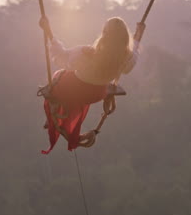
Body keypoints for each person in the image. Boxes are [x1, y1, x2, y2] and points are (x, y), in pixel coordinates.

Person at [39, 16, 145, 154]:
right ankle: (56, 116)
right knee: (69, 84)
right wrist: (138, 36)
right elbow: (134, 54)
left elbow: (61, 57)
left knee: (58, 77)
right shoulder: (124, 58)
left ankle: (53, 115)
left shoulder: (87, 54)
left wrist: (48, 31)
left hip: (72, 90)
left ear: (104, 34)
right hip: (96, 94)